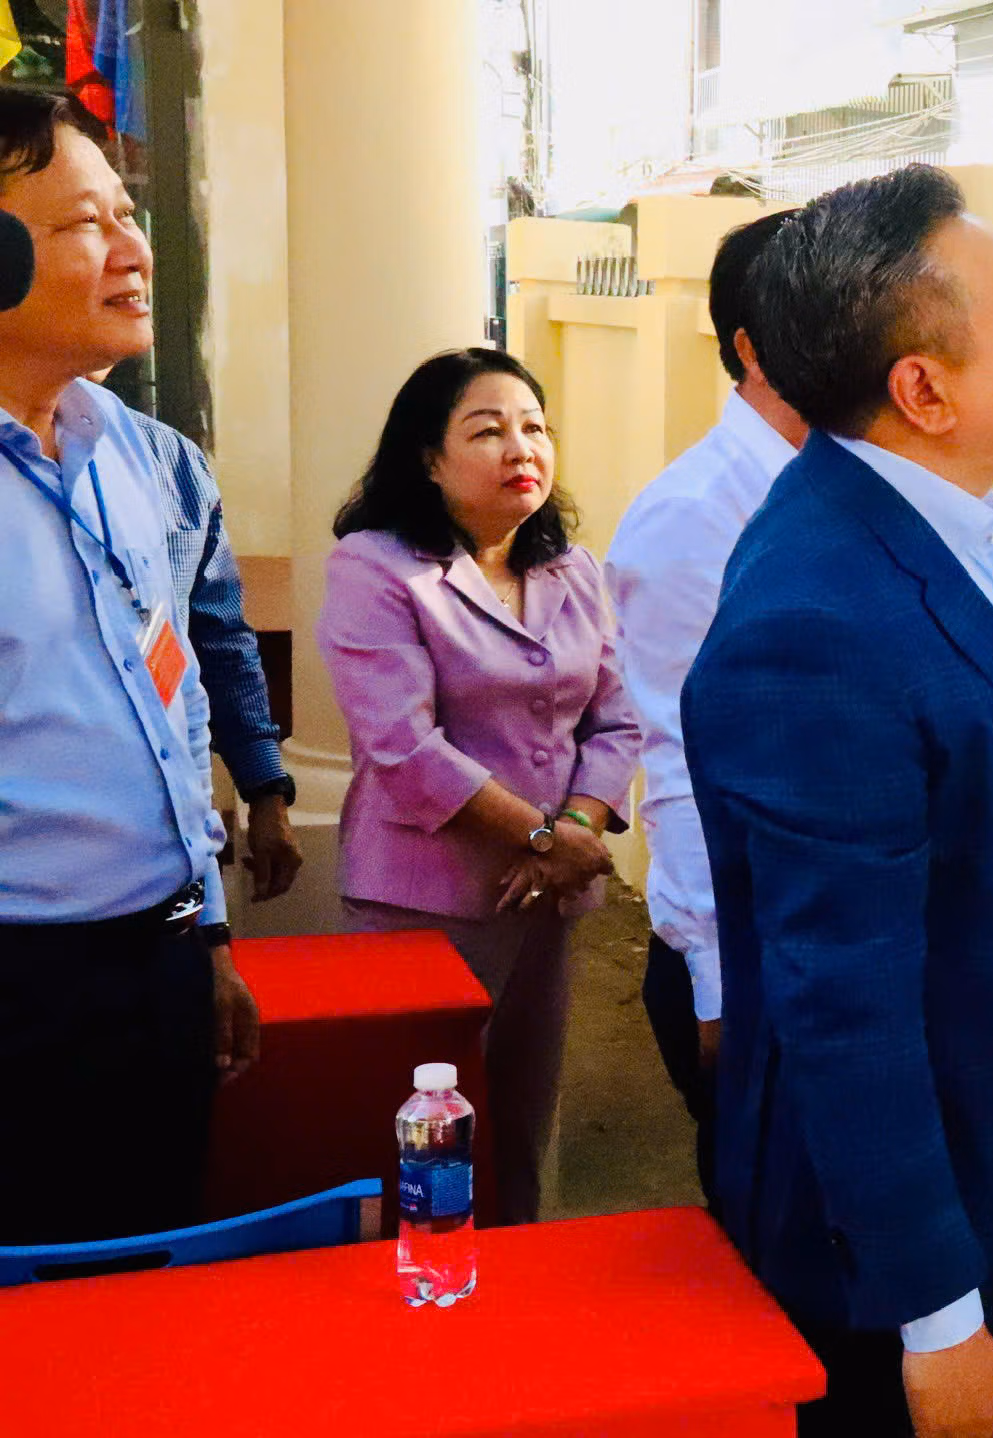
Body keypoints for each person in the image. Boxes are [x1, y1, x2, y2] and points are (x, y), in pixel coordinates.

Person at [686, 165, 993, 1438]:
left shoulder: (935, 526)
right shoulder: (818, 621)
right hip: (916, 1271)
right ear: (924, 391)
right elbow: (845, 1008)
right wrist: (938, 1323)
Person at [0, 89, 258, 1244]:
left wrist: (206, 936)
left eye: (126, 213)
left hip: (159, 960)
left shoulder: (134, 460)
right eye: (82, 224)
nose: (134, 250)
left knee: (148, 1279)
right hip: (21, 989)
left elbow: (171, 706)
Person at [319, 347, 641, 1229]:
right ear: (429, 458)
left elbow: (616, 720)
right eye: (488, 430)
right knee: (426, 1147)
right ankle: (422, 1296)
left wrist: (575, 831)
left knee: (520, 1126)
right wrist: (543, 838)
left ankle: (515, 1292)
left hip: (545, 905)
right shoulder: (377, 568)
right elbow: (402, 745)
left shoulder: (572, 570)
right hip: (425, 905)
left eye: (535, 427)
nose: (520, 448)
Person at [606, 210, 806, 1209]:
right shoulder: (696, 515)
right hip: (747, 960)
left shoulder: (846, 490)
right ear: (754, 347)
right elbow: (684, 762)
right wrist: (720, 988)